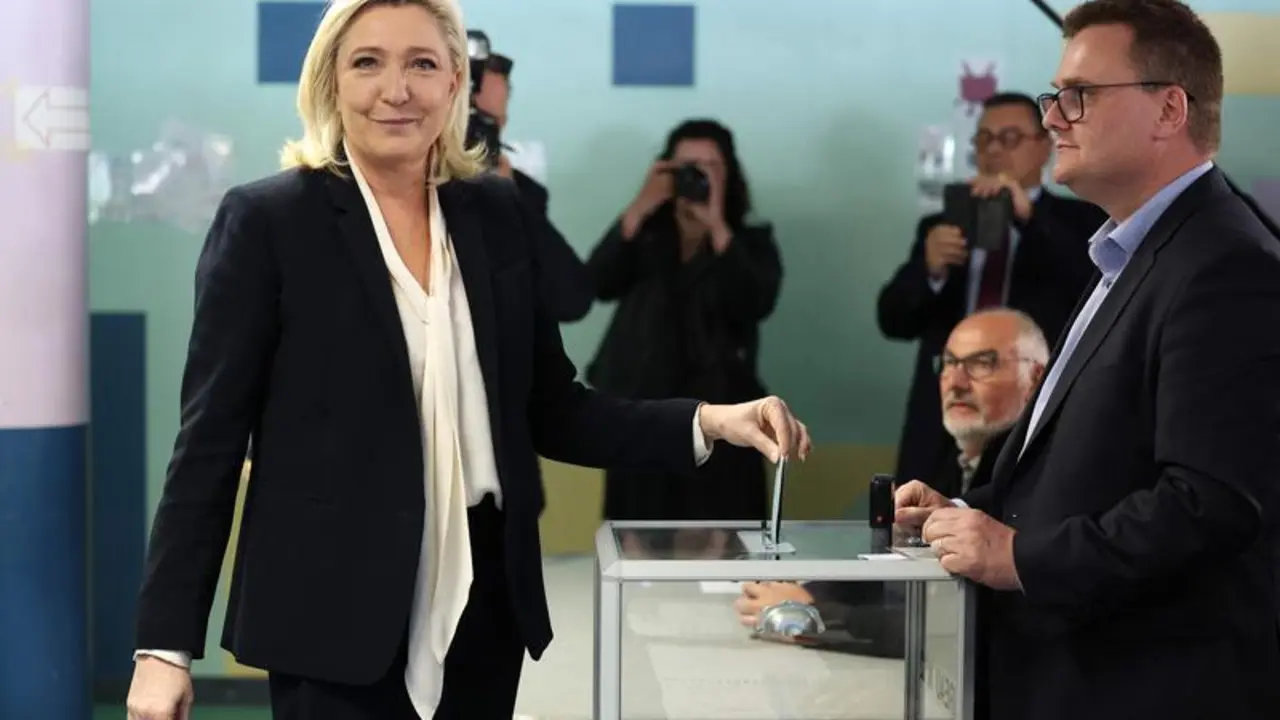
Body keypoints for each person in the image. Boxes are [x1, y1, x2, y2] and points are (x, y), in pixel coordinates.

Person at [122, 2, 811, 719]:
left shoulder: (494, 216)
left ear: (455, 82)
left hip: (485, 612)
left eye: (422, 63)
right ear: (330, 81)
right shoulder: (269, 221)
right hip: (332, 608)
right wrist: (162, 648)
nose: (397, 89)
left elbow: (555, 408)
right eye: (368, 62)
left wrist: (710, 422)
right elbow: (208, 442)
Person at [895, 2, 1280, 719]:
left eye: (1080, 96)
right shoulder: (1125, 252)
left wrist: (1015, 556)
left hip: (1145, 685)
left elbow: (1209, 503)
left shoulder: (1226, 263)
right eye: (1054, 97)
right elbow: (1093, 468)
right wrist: (964, 516)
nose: (1053, 119)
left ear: (1169, 109)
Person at [734, 308, 1048, 659]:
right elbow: (893, 576)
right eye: (948, 363)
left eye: (981, 364)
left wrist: (820, 613)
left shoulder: (1034, 479)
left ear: (1035, 379)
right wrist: (810, 592)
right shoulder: (943, 460)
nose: (956, 382)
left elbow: (961, 627)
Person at [878, 93, 1103, 488]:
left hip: (1035, 411)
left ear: (1044, 147)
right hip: (948, 414)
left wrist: (1030, 218)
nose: (994, 150)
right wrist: (929, 269)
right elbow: (893, 319)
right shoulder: (944, 223)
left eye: (1010, 138)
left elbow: (1091, 288)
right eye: (984, 140)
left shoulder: (1081, 219)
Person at [585, 118, 783, 523]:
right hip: (642, 405)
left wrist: (716, 225)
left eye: (709, 166)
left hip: (724, 409)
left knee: (723, 534)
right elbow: (594, 284)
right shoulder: (644, 234)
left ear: (729, 174)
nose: (696, 175)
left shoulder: (749, 241)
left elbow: (757, 300)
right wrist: (641, 205)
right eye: (686, 166)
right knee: (637, 531)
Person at [471, 48, 594, 322]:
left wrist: (509, 203)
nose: (477, 136)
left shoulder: (522, 192)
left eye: (490, 126)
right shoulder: (392, 185)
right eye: (472, 121)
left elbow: (572, 301)